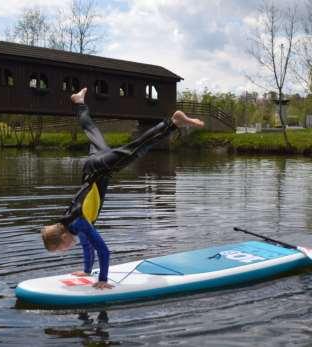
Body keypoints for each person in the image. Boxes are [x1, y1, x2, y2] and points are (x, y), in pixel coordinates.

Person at [41, 87, 204, 289]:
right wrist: (86, 271)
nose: (64, 251)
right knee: (92, 131)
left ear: (63, 237)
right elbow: (87, 247)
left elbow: (104, 251)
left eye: (61, 249)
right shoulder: (72, 224)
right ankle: (79, 103)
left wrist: (102, 280)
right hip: (93, 167)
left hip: (99, 169)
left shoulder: (79, 223)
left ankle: (172, 122)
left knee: (134, 150)